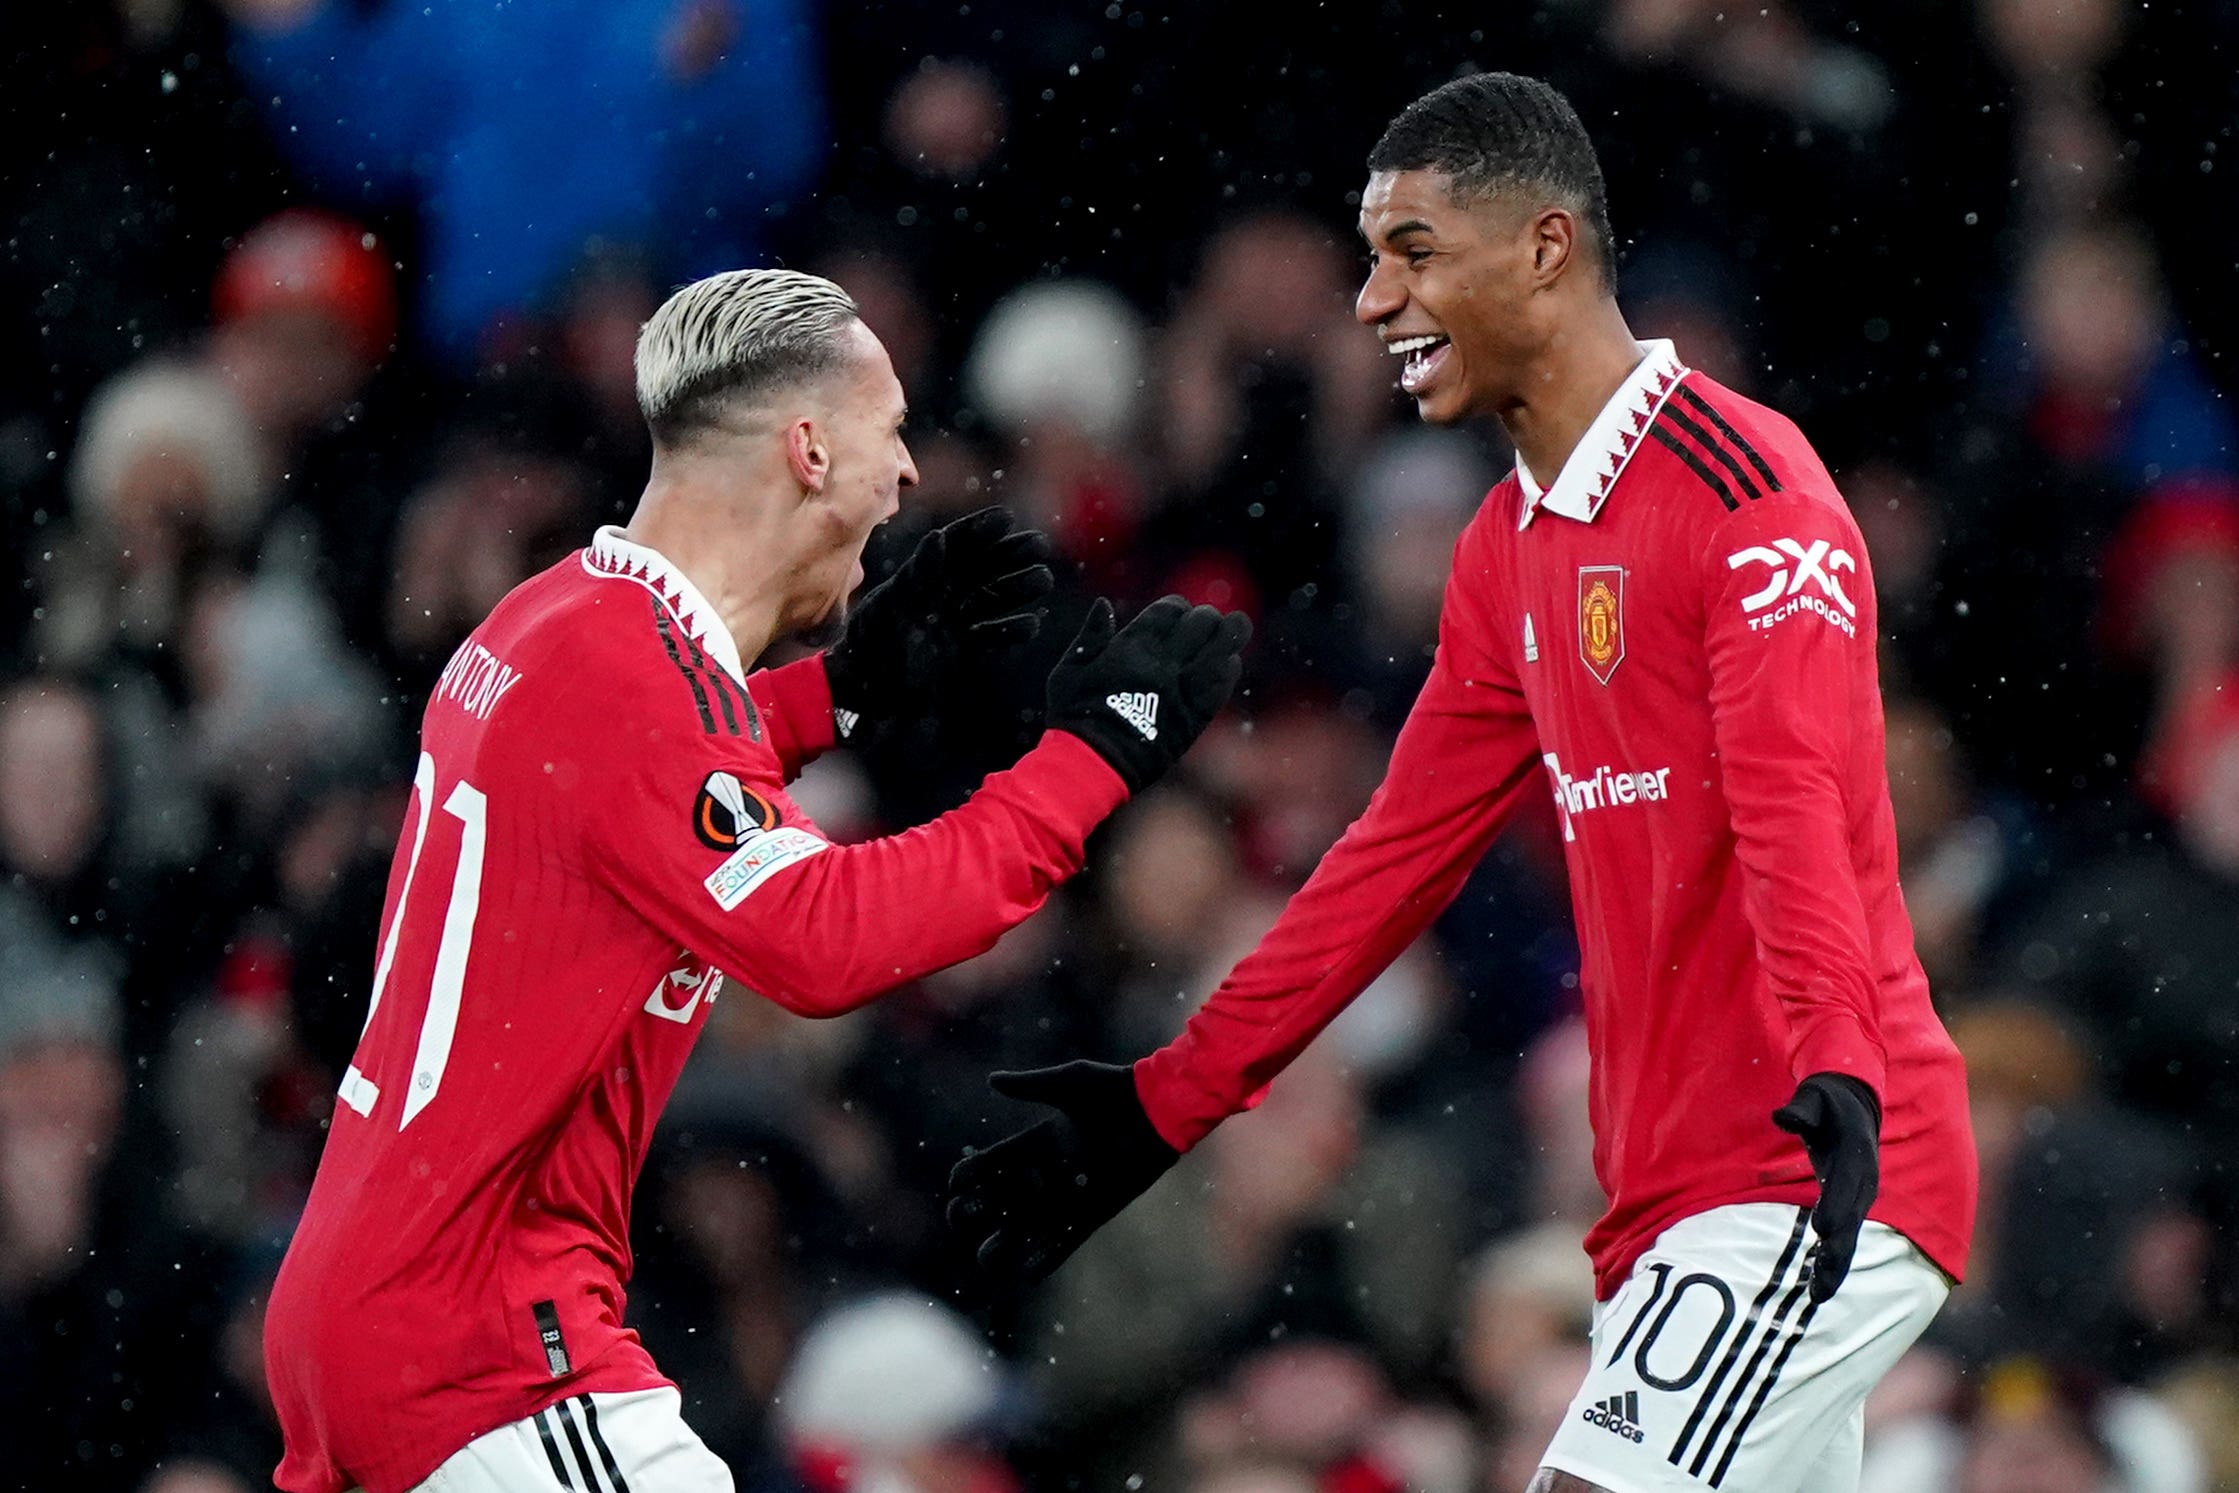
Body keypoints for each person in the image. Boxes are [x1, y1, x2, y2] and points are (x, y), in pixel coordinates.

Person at [948, 74, 1976, 1493]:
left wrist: (1836, 1072)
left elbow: (1786, 805)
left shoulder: (1748, 493)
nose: (1371, 301)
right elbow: (1388, 861)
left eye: (1412, 251)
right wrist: (1165, 1098)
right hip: (1664, 1203)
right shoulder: (1508, 546)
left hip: (1804, 1175)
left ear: (1544, 247)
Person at [261, 267, 1250, 1493]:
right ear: (808, 448)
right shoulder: (631, 679)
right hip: (486, 1343)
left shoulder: (550, 616)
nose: (902, 474)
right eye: (887, 430)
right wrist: (1092, 760)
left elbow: (623, 798)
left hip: (380, 1300)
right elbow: (823, 938)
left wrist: (836, 689)